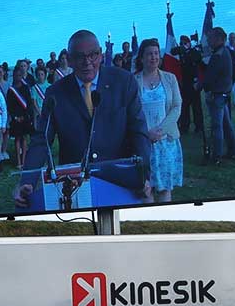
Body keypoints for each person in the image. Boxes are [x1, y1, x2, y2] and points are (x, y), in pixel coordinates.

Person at [14, 29, 151, 207]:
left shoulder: (123, 82)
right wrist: (27, 181)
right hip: (75, 188)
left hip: (120, 183)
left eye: (93, 55)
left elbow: (138, 131)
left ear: (101, 55)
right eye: (80, 57)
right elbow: (41, 140)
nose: (87, 62)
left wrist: (143, 176)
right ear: (69, 60)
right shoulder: (55, 93)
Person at [134, 38, 183, 203]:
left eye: (156, 53)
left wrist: (160, 131)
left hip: (166, 142)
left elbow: (176, 106)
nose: (153, 57)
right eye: (149, 54)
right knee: (145, 190)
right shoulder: (133, 81)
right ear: (141, 58)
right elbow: (131, 112)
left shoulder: (170, 78)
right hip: (144, 142)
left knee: (164, 188)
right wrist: (146, 134)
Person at [202, 27, 235, 166]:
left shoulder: (218, 55)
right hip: (224, 92)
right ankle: (233, 150)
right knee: (226, 124)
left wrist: (200, 86)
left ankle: (216, 156)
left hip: (217, 94)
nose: (209, 40)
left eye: (211, 38)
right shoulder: (226, 52)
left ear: (219, 39)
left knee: (217, 126)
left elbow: (211, 76)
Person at [6, 62, 36, 169]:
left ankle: (24, 160)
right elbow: (9, 105)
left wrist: (25, 116)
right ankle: (18, 161)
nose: (18, 77)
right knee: (17, 139)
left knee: (24, 138)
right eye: (16, 75)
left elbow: (28, 103)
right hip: (16, 118)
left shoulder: (25, 87)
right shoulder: (11, 90)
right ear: (13, 76)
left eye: (20, 75)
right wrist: (15, 117)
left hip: (24, 117)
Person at [176, 35, 203, 135]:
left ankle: (199, 126)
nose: (182, 45)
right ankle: (184, 126)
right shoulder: (180, 54)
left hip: (194, 83)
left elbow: (198, 63)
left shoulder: (194, 52)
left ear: (189, 43)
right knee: (184, 107)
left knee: (196, 106)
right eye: (181, 43)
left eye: (184, 43)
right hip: (184, 83)